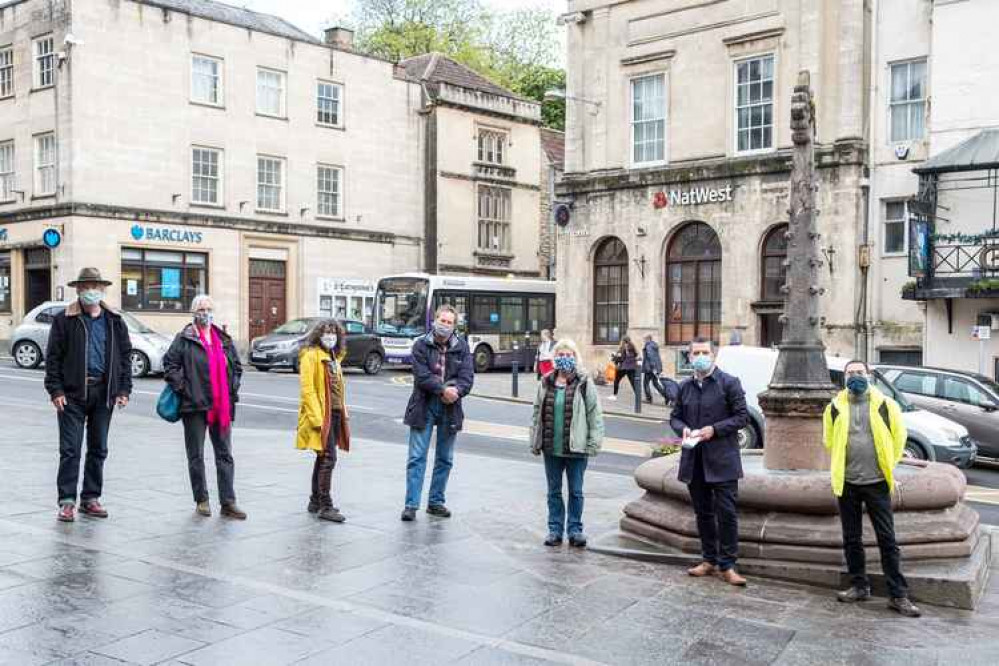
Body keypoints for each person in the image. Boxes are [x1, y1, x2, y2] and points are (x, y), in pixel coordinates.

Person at [822, 360, 921, 617]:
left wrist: (888, 465)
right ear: (844, 378)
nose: (855, 377)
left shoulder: (886, 405)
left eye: (859, 372)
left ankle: (898, 594)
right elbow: (829, 441)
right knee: (851, 538)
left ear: (868, 376)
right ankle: (858, 586)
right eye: (850, 373)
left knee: (887, 539)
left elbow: (899, 438)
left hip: (877, 482)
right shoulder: (834, 407)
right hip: (847, 483)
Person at [45, 268, 133, 522]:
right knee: (70, 449)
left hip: (103, 393)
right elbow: (53, 359)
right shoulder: (65, 319)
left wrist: (124, 389)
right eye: (85, 287)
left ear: (102, 289)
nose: (90, 291)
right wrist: (56, 390)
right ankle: (67, 501)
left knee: (99, 448)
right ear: (78, 290)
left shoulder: (114, 321)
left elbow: (125, 358)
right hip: (72, 394)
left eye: (94, 286)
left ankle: (90, 498)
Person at [669, 337, 749, 586]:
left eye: (705, 352)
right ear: (690, 357)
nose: (701, 356)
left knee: (726, 513)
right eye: (696, 353)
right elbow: (675, 417)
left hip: (723, 460)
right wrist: (681, 429)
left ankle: (728, 564)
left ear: (713, 355)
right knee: (703, 513)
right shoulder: (684, 387)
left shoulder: (729, 383)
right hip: (695, 460)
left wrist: (714, 429)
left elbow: (742, 417)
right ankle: (709, 559)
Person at [163, 295, 246, 520]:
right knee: (196, 455)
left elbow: (237, 367)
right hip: (194, 406)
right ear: (193, 312)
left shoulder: (223, 339)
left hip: (221, 406)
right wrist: (185, 388)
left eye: (209, 308)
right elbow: (169, 365)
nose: (205, 313)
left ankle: (228, 502)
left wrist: (232, 388)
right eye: (201, 309)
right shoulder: (185, 338)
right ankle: (202, 499)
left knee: (225, 455)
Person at [401, 304, 474, 521]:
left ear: (454, 326)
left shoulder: (462, 347)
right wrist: (443, 389)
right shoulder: (420, 345)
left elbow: (467, 378)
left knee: (445, 458)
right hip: (424, 404)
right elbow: (421, 376)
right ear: (434, 321)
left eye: (450, 322)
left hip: (450, 407)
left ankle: (436, 502)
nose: (445, 325)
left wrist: (456, 391)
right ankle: (411, 504)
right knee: (416, 457)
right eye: (442, 321)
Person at [530, 339, 604, 547]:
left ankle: (575, 530)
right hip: (551, 447)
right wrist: (534, 440)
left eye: (569, 355)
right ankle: (555, 530)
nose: (565, 358)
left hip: (576, 448)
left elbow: (594, 414)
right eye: (561, 355)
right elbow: (537, 412)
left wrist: (593, 443)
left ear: (575, 357)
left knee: (576, 491)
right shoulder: (545, 381)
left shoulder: (584, 382)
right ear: (554, 358)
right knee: (553, 491)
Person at [296, 319, 350, 523]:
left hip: (335, 413)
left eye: (334, 332)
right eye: (326, 332)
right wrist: (318, 419)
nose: (330, 335)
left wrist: (343, 409)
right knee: (329, 458)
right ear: (318, 335)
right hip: (322, 416)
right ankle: (325, 505)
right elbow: (307, 391)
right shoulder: (310, 356)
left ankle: (315, 501)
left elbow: (337, 388)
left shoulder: (333, 357)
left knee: (322, 457)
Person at [641, 334, 669, 405]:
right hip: (655, 367)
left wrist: (653, 368)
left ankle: (649, 399)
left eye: (645, 339)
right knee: (655, 383)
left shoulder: (649, 346)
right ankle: (667, 397)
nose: (644, 341)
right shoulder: (654, 345)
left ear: (648, 339)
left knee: (645, 383)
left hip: (650, 368)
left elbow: (651, 357)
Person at [609, 336, 638, 401]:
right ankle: (638, 395)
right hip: (632, 367)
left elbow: (620, 358)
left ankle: (614, 395)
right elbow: (636, 355)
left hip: (624, 367)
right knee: (633, 382)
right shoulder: (633, 346)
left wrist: (613, 358)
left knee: (616, 380)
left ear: (623, 341)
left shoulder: (623, 347)